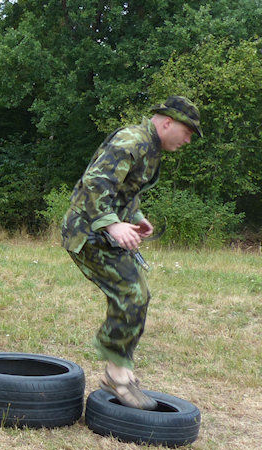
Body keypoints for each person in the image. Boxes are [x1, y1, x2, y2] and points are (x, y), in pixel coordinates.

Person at [61, 96, 202, 410]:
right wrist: (112, 224)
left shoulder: (149, 148)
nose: (188, 140)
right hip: (86, 231)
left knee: (136, 292)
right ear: (168, 123)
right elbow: (95, 182)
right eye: (187, 132)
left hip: (99, 231)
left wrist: (135, 217)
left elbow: (124, 189)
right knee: (131, 292)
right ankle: (117, 373)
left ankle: (119, 367)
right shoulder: (132, 141)